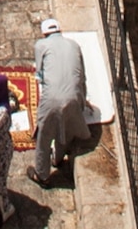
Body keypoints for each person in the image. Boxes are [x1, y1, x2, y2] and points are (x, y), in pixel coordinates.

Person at [33, 14, 90, 185]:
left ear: (44, 34)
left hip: (52, 98)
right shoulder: (74, 45)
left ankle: (42, 174)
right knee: (66, 126)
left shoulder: (41, 45)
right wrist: (82, 99)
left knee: (44, 135)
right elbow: (82, 76)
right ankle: (58, 158)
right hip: (74, 96)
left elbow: (40, 74)